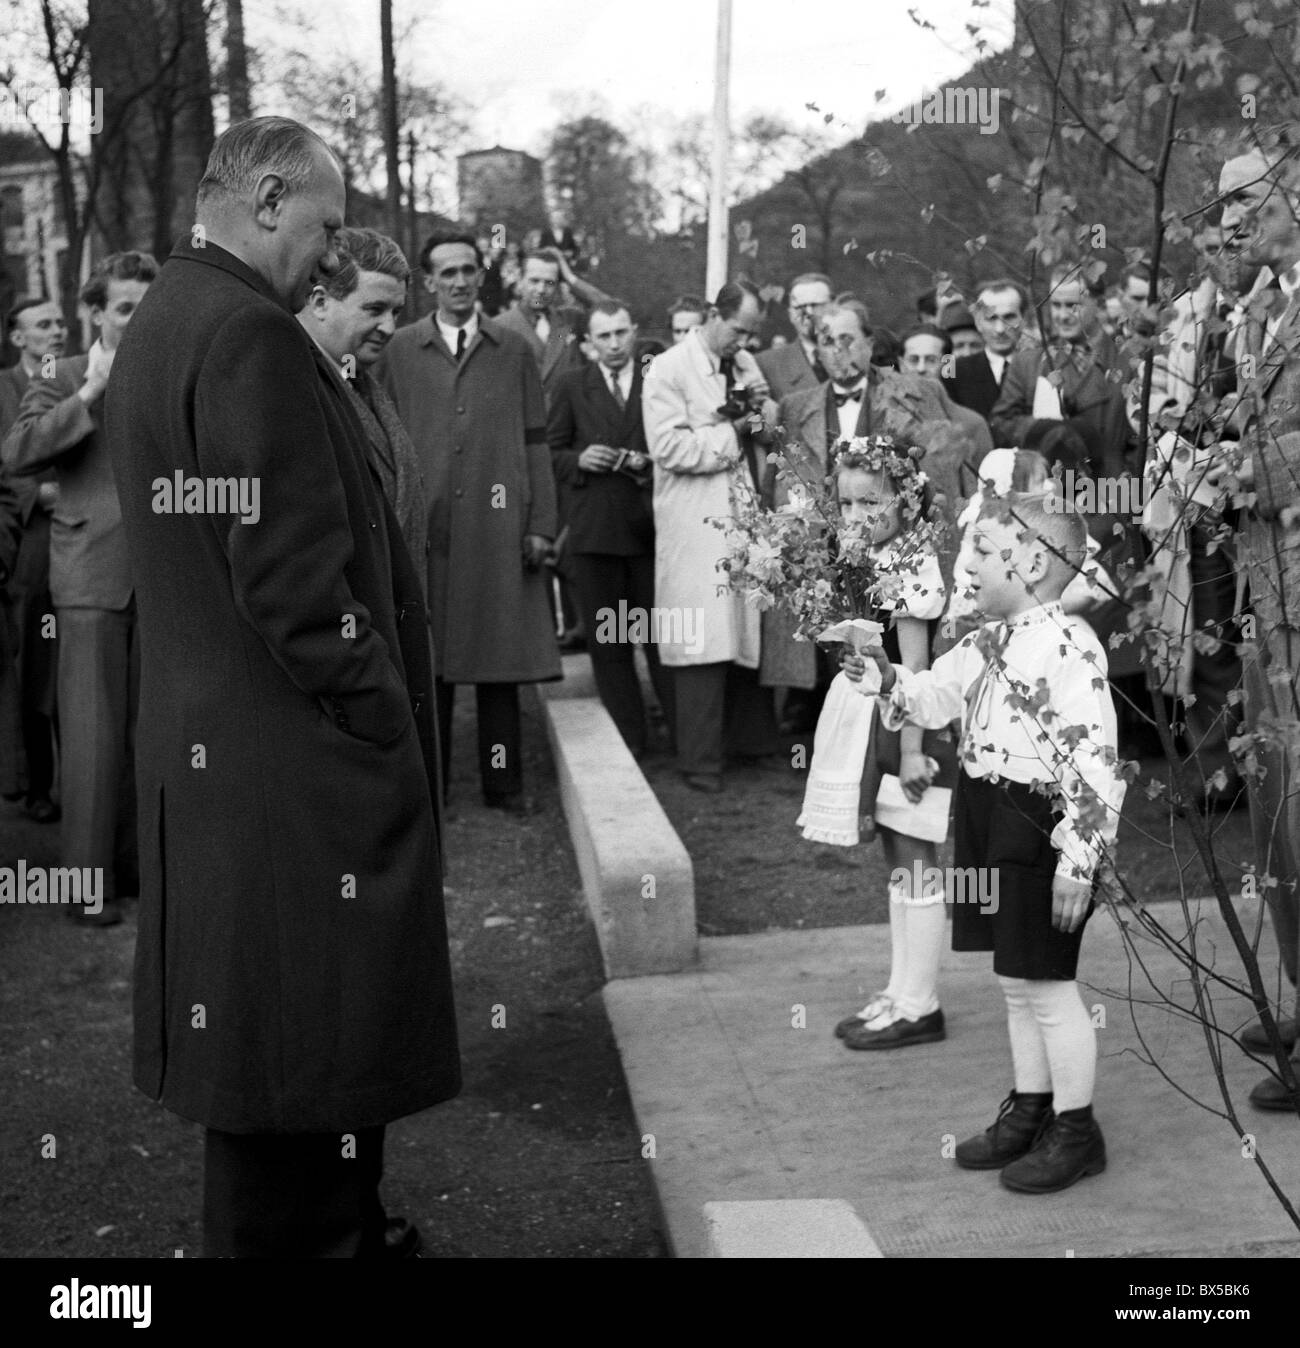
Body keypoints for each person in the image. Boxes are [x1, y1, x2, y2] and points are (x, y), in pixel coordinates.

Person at [103, 115, 459, 1257]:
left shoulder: (167, 316)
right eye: (316, 225)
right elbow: (296, 585)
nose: (325, 251)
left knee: (273, 1066)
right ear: (264, 202)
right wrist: (382, 711)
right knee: (306, 1054)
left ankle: (347, 1226)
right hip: (295, 769)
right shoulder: (250, 336)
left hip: (223, 758)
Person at [847, 489, 1126, 1192]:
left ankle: (1076, 1129)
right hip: (983, 811)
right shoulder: (982, 642)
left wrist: (1080, 858)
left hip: (1038, 827)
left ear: (1031, 562)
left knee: (1047, 983)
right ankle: (1030, 1109)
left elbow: (1095, 760)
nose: (962, 562)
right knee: (1013, 978)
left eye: (978, 548)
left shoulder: (1071, 647)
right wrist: (887, 679)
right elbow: (936, 695)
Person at [379, 229, 560, 812]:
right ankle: (429, 790)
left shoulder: (513, 350)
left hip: (496, 528)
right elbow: (378, 443)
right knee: (425, 663)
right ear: (427, 283)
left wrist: (539, 524)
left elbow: (537, 440)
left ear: (482, 276)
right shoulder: (400, 350)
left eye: (468, 270)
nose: (458, 281)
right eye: (445, 272)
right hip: (424, 531)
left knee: (498, 660)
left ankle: (502, 786)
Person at [5, 253, 159, 927]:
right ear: (95, 311)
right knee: (93, 742)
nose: (137, 319)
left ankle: (135, 871)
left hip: (162, 580)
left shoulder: (167, 373)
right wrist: (88, 396)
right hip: (90, 576)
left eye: (146, 307)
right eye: (125, 307)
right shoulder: (60, 373)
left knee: (147, 737)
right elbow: (18, 450)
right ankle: (85, 889)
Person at [796, 442, 955, 1051]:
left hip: (905, 723)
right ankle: (901, 990)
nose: (858, 514)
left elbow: (915, 666)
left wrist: (912, 750)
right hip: (873, 713)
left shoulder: (912, 563)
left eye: (873, 501)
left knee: (914, 853)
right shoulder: (865, 556)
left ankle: (921, 1002)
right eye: (847, 502)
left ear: (905, 501)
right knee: (896, 854)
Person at [1210, 142, 1300, 1101]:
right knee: (1276, 813)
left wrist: (1241, 470)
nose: (1231, 227)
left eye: (1247, 207)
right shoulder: (1262, 311)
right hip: (1263, 591)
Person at [641, 280, 778, 793]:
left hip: (743, 513)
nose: (743, 342)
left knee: (744, 629)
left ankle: (749, 744)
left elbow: (766, 421)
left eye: (751, 334)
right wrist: (733, 432)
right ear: (712, 316)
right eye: (738, 330)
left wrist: (760, 417)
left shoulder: (743, 364)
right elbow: (669, 449)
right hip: (694, 520)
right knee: (700, 636)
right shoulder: (668, 370)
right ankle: (699, 760)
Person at [548, 299, 673, 758]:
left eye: (622, 333)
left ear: (635, 331)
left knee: (660, 640)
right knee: (610, 641)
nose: (615, 344)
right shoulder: (570, 385)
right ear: (588, 343)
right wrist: (578, 459)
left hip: (651, 529)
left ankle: (679, 736)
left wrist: (651, 463)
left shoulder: (657, 380)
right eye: (604, 336)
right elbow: (549, 450)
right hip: (596, 534)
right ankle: (629, 740)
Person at [296, 226, 427, 595]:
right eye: (374, 310)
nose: (389, 327)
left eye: (396, 312)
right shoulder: (291, 389)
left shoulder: (363, 384)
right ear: (320, 302)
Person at [0, 297, 65, 821]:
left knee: (79, 673)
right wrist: (41, 494)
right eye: (44, 325)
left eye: (61, 322)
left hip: (85, 549)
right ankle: (36, 784)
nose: (57, 331)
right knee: (34, 672)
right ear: (18, 338)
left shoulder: (76, 377)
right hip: (28, 553)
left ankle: (90, 787)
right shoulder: (2, 390)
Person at [942, 279, 1028, 421]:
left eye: (1009, 317)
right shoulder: (954, 371)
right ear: (978, 322)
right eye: (991, 318)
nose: (1000, 329)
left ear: (1024, 319)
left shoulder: (1040, 368)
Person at [756, 272, 833, 399]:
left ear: (833, 308)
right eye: (800, 307)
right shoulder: (766, 365)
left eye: (816, 305)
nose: (808, 313)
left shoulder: (856, 358)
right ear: (791, 314)